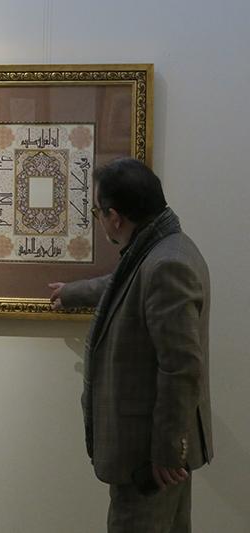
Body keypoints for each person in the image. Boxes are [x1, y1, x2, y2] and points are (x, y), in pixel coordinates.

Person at [49, 158, 212, 532]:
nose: (100, 220)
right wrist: (73, 293)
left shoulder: (165, 265)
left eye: (97, 212)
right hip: (155, 454)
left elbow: (181, 366)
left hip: (149, 458)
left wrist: (167, 452)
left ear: (115, 218)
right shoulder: (164, 249)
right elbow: (125, 283)